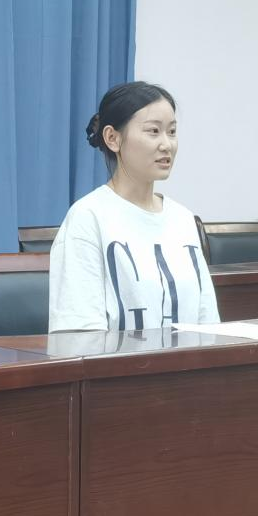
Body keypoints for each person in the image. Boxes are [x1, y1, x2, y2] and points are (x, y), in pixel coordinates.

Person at [49, 81, 220, 332]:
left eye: (172, 131)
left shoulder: (182, 219)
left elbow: (209, 324)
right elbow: (79, 332)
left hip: (188, 358)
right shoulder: (88, 217)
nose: (166, 144)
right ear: (113, 138)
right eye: (153, 131)